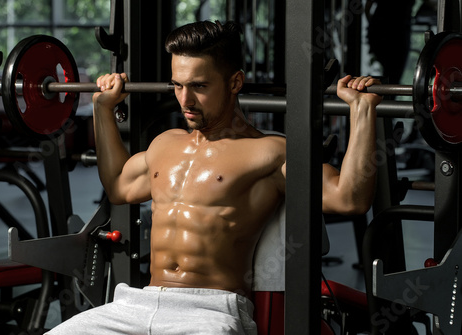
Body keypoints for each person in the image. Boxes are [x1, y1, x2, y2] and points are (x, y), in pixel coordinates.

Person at [47, 20, 382, 334]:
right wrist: (102, 109)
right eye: (177, 85)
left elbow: (349, 198)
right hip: (137, 302)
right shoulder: (164, 145)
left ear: (234, 82)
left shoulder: (269, 152)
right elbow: (119, 186)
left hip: (210, 312)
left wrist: (363, 111)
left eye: (199, 86)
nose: (185, 100)